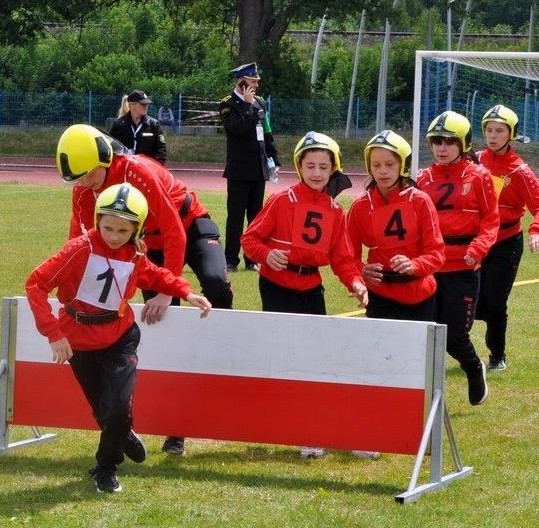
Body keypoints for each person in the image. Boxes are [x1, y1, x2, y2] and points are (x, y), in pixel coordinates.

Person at [25, 183, 212, 493]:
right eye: (107, 228)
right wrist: (53, 334)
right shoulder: (78, 249)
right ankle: (123, 433)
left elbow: (154, 274)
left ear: (136, 230)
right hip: (78, 340)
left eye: (123, 231)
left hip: (120, 337)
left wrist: (187, 292)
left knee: (117, 407)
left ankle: (106, 468)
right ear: (97, 221)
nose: (113, 236)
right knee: (105, 411)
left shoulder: (135, 253)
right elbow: (36, 284)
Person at [60, 123, 231, 456]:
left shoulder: (137, 172)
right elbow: (79, 240)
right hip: (147, 246)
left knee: (215, 285)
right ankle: (176, 429)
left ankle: (224, 350)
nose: (84, 183)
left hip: (189, 226)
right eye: (77, 179)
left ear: (104, 159)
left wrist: (169, 289)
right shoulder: (83, 188)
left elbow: (174, 232)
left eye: (88, 175)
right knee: (163, 326)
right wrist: (71, 284)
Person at [240, 131, 368, 459]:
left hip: (312, 287)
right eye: (310, 166)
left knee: (315, 358)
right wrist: (267, 255)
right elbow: (249, 240)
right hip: (277, 286)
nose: (316, 173)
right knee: (286, 356)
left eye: (323, 167)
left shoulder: (335, 211)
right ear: (299, 166)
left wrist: (356, 284)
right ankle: (290, 423)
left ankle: (313, 427)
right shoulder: (281, 201)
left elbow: (342, 258)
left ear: (333, 169)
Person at [416, 111, 499, 407]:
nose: (442, 147)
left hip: (463, 267)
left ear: (463, 144)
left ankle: (474, 368)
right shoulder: (422, 178)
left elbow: (491, 220)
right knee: (425, 332)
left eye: (449, 141)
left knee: (454, 336)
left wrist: (478, 249)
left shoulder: (480, 176)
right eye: (436, 141)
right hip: (429, 267)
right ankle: (422, 394)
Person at [475, 105, 539, 372]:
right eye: (489, 130)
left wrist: (537, 230)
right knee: (467, 299)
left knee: (495, 302)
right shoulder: (474, 161)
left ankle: (497, 355)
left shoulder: (520, 171)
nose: (493, 135)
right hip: (476, 241)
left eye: (499, 131)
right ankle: (459, 350)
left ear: (511, 134)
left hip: (506, 242)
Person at [346, 130, 445, 322]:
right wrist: (360, 270)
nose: (383, 171)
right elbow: (346, 255)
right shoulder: (360, 206)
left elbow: (437, 254)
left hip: (420, 296)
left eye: (390, 164)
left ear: (402, 164)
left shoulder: (420, 201)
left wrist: (414, 265)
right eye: (376, 165)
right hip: (380, 296)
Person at [219, 62, 282, 272]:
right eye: (252, 81)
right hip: (239, 170)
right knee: (235, 216)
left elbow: (266, 131)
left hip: (258, 168)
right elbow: (236, 128)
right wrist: (246, 105)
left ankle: (252, 259)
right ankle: (231, 259)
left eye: (256, 81)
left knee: (255, 217)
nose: (256, 85)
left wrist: (274, 159)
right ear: (241, 82)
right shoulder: (228, 104)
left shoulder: (260, 102)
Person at [108, 90, 168, 164]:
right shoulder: (119, 124)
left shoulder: (153, 125)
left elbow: (161, 150)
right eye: (143, 104)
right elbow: (110, 147)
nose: (146, 106)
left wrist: (156, 165)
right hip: (125, 168)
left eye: (147, 104)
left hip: (146, 168)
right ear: (132, 105)